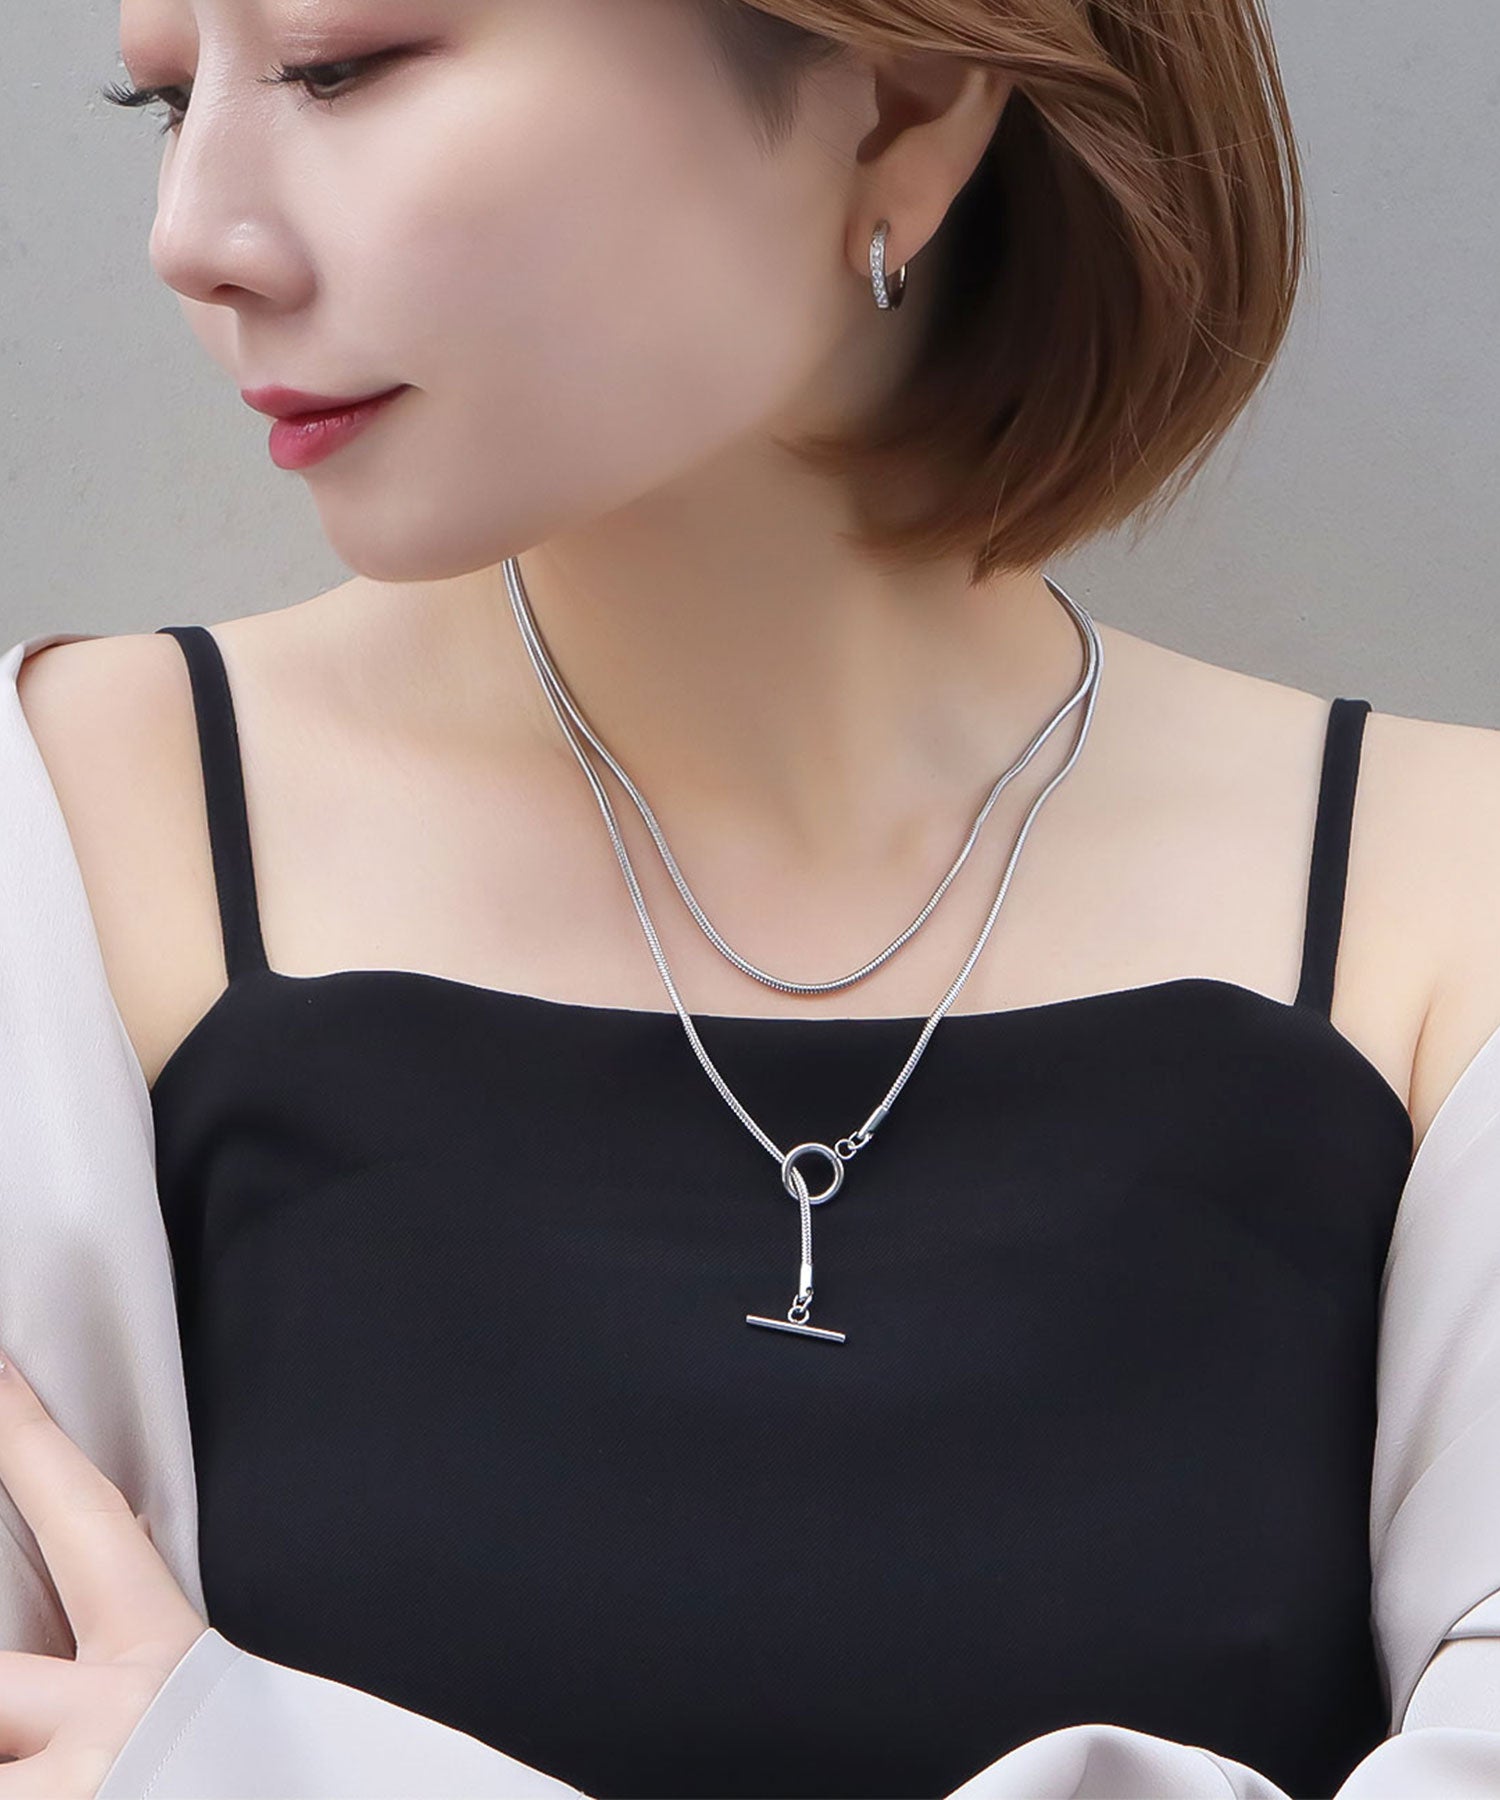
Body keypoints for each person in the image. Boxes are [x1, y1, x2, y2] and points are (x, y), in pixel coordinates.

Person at [2, 0, 1499, 1794]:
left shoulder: (1445, 905)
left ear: (906, 101)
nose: (193, 239)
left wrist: (250, 1771)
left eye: (344, 67)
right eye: (162, 98)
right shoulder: (55, 864)